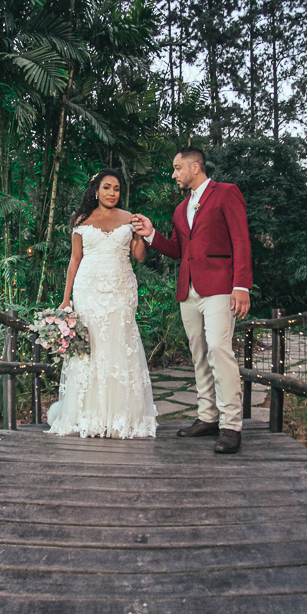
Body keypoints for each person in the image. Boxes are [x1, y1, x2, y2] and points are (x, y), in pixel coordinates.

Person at [132, 148, 252, 454]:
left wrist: (241, 285)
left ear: (195, 167)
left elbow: (241, 239)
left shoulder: (226, 193)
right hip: (189, 290)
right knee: (199, 354)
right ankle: (207, 416)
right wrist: (151, 234)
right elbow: (177, 250)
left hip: (221, 286)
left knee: (219, 351)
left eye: (177, 168)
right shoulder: (180, 209)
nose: (174, 174)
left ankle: (231, 425)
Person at [47, 169, 157, 439]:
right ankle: (89, 414)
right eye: (107, 187)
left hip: (121, 289)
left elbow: (140, 257)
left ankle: (121, 416)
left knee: (120, 343)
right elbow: (75, 260)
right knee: (92, 348)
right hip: (88, 290)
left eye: (116, 188)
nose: (112, 193)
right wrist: (66, 298)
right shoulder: (81, 220)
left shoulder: (129, 219)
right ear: (96, 190)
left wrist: (141, 234)